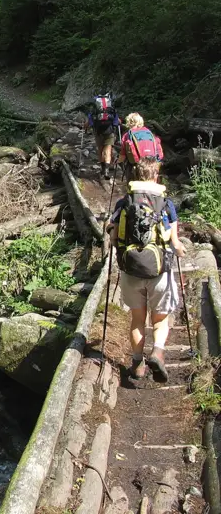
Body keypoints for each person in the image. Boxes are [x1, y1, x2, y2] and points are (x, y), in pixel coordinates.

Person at [107, 156, 186, 382]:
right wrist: (179, 251)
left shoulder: (124, 202)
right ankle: (158, 352)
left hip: (131, 270)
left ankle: (137, 364)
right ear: (155, 176)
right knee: (160, 319)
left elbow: (113, 237)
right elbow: (175, 242)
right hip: (159, 270)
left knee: (137, 319)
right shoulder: (166, 204)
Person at [85, 93, 120, 180]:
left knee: (100, 150)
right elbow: (117, 120)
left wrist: (86, 127)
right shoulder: (111, 109)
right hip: (110, 131)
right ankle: (107, 171)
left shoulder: (94, 111)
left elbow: (89, 121)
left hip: (98, 131)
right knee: (107, 150)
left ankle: (102, 169)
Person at [118, 112, 163, 180]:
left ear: (129, 122)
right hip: (152, 166)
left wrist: (117, 161)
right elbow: (160, 154)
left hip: (136, 166)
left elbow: (123, 155)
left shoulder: (127, 135)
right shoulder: (150, 133)